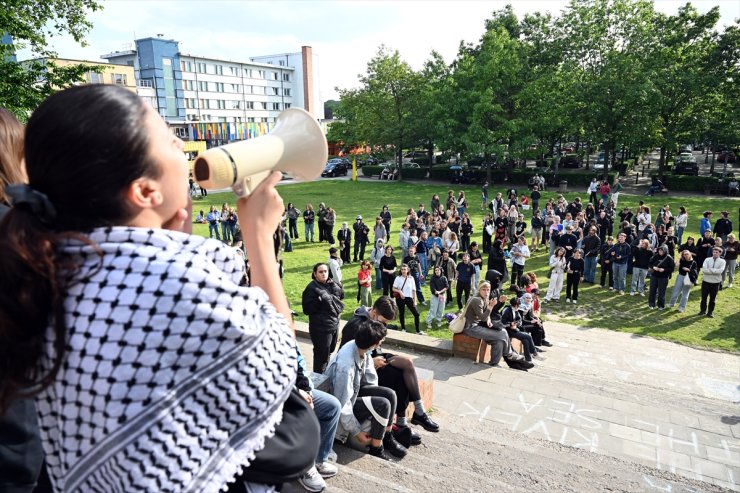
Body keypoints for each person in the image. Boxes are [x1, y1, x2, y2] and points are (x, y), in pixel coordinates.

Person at [0, 86, 318, 491]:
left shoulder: (46, 265)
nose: (182, 144)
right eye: (169, 138)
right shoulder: (171, 286)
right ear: (145, 191)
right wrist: (258, 237)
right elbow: (279, 358)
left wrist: (170, 243)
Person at [339, 298, 439, 443]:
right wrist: (372, 362)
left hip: (375, 357)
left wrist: (377, 357)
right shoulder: (355, 326)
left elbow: (375, 347)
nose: (385, 326)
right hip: (364, 370)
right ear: (374, 312)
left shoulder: (373, 318)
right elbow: (346, 354)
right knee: (397, 375)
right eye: (383, 321)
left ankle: (418, 411)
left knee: (407, 364)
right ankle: (400, 425)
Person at [324, 320, 407, 461]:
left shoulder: (362, 349)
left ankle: (386, 436)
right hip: (342, 406)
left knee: (390, 395)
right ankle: (376, 448)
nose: (382, 342)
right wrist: (357, 432)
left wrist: (387, 414)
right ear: (374, 344)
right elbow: (342, 404)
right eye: (381, 340)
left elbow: (371, 381)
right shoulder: (346, 366)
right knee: (382, 404)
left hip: (353, 394)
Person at [295, 347, 341, 493]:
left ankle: (319, 460)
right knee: (302, 411)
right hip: (276, 392)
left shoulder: (284, 331)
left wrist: (307, 391)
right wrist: (294, 393)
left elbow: (298, 365)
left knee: (332, 406)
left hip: (297, 388)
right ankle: (303, 466)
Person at [461, 281, 530, 370]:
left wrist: (489, 320)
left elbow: (487, 315)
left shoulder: (484, 298)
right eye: (484, 290)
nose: (486, 292)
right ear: (479, 290)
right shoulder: (476, 300)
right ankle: (510, 354)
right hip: (470, 328)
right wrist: (490, 306)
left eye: (488, 290)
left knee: (498, 341)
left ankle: (493, 364)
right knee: (502, 333)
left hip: (479, 325)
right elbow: (482, 317)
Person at [302, 263, 345, 373]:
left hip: (334, 325)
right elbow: (306, 309)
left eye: (325, 271)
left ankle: (325, 375)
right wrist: (319, 301)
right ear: (315, 274)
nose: (323, 274)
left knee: (330, 351)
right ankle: (318, 380)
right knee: (321, 356)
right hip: (320, 329)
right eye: (320, 272)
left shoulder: (335, 284)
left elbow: (341, 298)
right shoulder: (311, 288)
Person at [500, 298, 540, 363]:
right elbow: (502, 323)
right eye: (518, 305)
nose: (519, 307)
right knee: (528, 336)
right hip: (507, 331)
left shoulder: (515, 310)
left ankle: (528, 359)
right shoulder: (506, 310)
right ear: (515, 305)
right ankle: (535, 353)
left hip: (514, 329)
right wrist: (510, 324)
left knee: (525, 340)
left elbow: (519, 320)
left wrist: (516, 324)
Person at [393, 264, 422, 334]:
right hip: (400, 298)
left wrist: (415, 301)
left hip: (409, 298)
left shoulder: (411, 278)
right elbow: (393, 288)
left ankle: (418, 331)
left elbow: (414, 290)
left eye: (404, 269)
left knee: (416, 314)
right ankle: (403, 329)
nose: (403, 271)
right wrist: (400, 291)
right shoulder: (398, 278)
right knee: (402, 313)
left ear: (408, 270)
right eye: (402, 269)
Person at [699, 246, 726, 318]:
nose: (715, 253)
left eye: (717, 252)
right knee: (704, 298)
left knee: (712, 299)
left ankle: (710, 312)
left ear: (720, 253)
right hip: (706, 281)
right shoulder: (707, 259)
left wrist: (710, 270)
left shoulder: (722, 261)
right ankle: (702, 311)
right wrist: (714, 270)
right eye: (714, 252)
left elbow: (720, 271)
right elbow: (704, 270)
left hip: (715, 283)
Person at [648, 245, 675, 310]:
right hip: (654, 276)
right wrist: (653, 267)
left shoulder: (669, 258)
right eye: (659, 250)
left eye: (662, 251)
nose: (660, 252)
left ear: (665, 251)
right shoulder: (655, 256)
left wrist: (664, 270)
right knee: (652, 291)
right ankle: (651, 304)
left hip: (664, 277)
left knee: (661, 292)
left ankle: (661, 305)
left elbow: (672, 268)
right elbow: (650, 263)